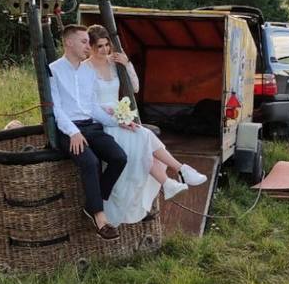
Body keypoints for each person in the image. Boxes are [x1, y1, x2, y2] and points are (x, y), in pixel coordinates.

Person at [84, 25, 208, 225]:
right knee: (144, 137)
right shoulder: (85, 69)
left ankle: (175, 177)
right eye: (100, 46)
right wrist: (115, 117)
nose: (105, 49)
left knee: (144, 139)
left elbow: (134, 87)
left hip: (122, 117)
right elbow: (88, 104)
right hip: (102, 121)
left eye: (107, 45)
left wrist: (127, 64)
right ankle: (178, 173)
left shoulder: (114, 63)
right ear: (90, 47)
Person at [48, 24, 128, 240]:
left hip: (91, 126)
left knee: (119, 157)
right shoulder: (53, 70)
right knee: (91, 162)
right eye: (84, 42)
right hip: (68, 130)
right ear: (69, 43)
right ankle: (100, 218)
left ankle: (93, 204)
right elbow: (56, 108)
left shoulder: (88, 72)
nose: (88, 46)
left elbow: (93, 107)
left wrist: (118, 122)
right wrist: (73, 132)